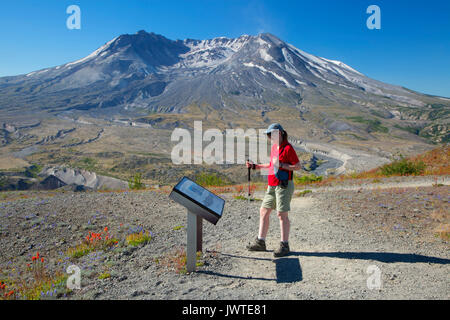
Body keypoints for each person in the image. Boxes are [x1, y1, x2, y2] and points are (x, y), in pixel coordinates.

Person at [246, 123, 301, 257]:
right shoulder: (275, 148)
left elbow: (298, 166)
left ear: (280, 134)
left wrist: (282, 165)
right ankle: (260, 242)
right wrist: (255, 166)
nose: (270, 137)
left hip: (283, 185)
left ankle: (284, 245)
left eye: (272, 134)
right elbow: (272, 165)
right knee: (264, 211)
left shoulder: (288, 148)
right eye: (269, 135)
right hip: (272, 185)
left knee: (282, 215)